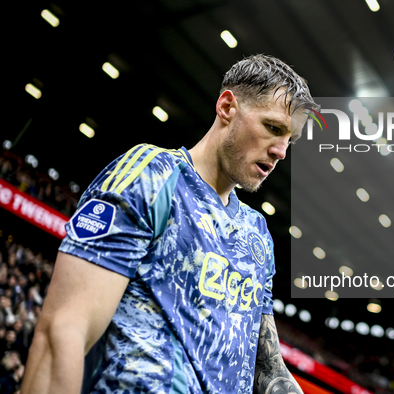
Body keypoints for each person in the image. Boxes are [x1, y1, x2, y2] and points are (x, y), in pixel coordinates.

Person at [20, 54, 317, 394]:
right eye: (273, 127)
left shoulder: (257, 234)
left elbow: (268, 368)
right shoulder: (152, 175)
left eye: (289, 140)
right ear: (227, 107)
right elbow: (64, 330)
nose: (280, 150)